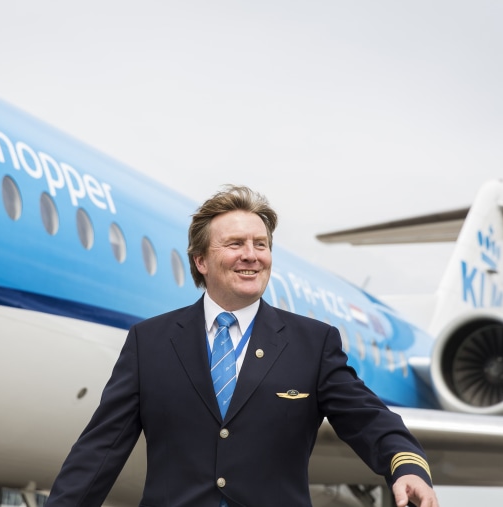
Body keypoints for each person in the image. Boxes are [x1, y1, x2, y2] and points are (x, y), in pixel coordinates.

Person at [46, 185, 439, 507]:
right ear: (201, 260)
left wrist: (407, 467)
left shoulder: (312, 344)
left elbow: (369, 419)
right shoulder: (149, 343)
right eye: (235, 244)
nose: (251, 255)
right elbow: (99, 451)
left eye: (260, 244)